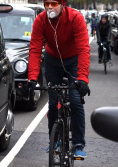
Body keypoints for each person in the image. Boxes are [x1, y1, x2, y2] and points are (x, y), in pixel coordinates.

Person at [27, 0, 91, 158]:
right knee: (53, 102)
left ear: (63, 4)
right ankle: (54, 140)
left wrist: (82, 78)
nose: (49, 7)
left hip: (73, 61)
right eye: (47, 3)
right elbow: (35, 49)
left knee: (75, 100)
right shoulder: (41, 20)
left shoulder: (75, 18)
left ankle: (78, 144)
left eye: (54, 3)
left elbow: (83, 49)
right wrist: (32, 78)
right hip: (52, 61)